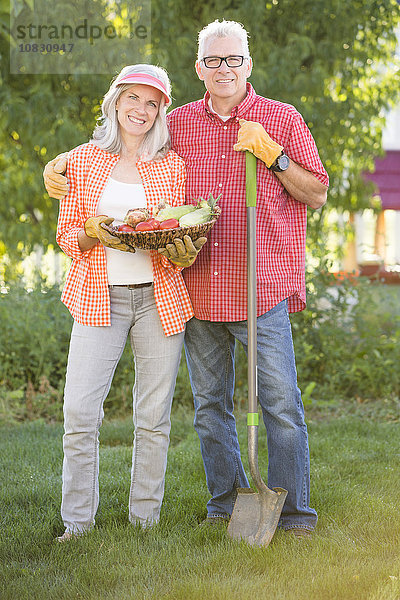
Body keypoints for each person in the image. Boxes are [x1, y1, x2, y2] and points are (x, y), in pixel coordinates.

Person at [44, 20, 329, 538]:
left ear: (249, 62)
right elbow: (116, 147)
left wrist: (274, 154)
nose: (225, 69)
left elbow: (316, 193)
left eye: (234, 59)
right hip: (196, 289)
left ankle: (295, 518)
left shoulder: (280, 119)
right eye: (214, 61)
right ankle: (224, 504)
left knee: (281, 405)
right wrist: (57, 165)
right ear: (200, 68)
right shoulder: (178, 124)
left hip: (257, 290)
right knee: (209, 408)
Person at [53, 63, 206, 542]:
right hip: (99, 297)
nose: (141, 110)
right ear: (115, 101)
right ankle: (76, 523)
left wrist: (183, 248)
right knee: (80, 412)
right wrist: (93, 233)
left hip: (158, 300)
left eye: (152, 102)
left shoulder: (171, 165)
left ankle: (145, 520)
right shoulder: (81, 160)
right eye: (132, 99)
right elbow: (66, 236)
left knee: (153, 416)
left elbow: (175, 235)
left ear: (161, 111)